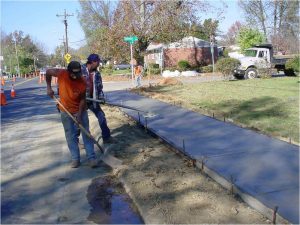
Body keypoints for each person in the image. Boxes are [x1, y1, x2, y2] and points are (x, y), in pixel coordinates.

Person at [46, 61, 97, 168]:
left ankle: (91, 158)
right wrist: (49, 87)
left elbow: (83, 100)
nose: (74, 76)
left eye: (77, 73)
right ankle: (75, 159)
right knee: (70, 135)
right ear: (68, 71)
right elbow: (48, 72)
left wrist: (79, 114)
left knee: (86, 133)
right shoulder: (61, 74)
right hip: (65, 110)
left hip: (80, 110)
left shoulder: (82, 81)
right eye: (72, 73)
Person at [82, 54, 112, 144]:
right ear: (93, 62)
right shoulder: (80, 70)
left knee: (101, 116)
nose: (99, 64)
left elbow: (99, 88)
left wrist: (101, 98)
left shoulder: (97, 73)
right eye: (98, 62)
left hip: (93, 100)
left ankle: (106, 137)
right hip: (81, 100)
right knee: (80, 120)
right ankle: (79, 142)